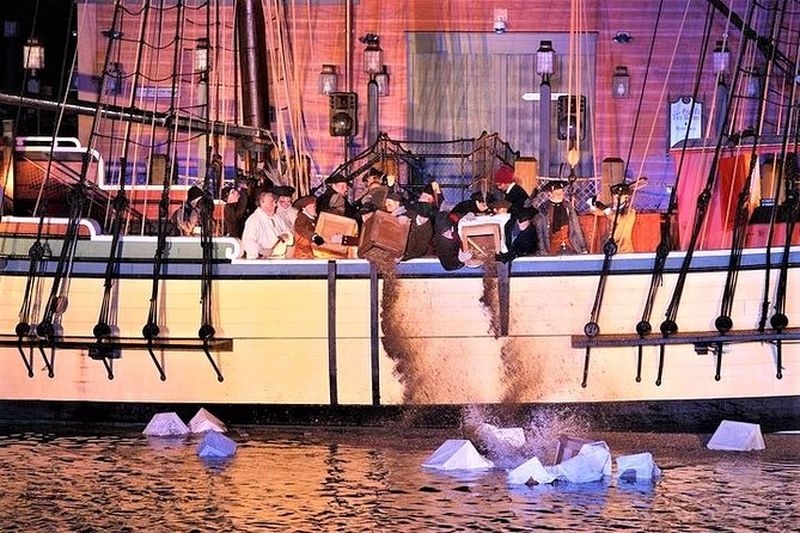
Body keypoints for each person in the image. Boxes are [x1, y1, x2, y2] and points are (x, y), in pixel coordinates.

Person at [532, 180, 587, 254]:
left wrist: (583, 247)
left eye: (561, 193)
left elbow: (576, 227)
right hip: (552, 248)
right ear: (550, 194)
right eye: (557, 194)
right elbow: (540, 234)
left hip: (570, 246)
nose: (560, 195)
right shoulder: (543, 208)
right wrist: (543, 251)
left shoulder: (568, 206)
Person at [241, 189, 294, 259]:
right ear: (262, 203)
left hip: (279, 259)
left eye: (275, 202)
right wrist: (262, 251)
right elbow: (248, 241)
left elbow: (287, 232)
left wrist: (286, 235)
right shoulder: (254, 220)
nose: (275, 205)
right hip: (261, 262)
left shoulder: (277, 218)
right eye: (271, 202)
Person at [589, 181, 637, 254]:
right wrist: (592, 204)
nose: (614, 200)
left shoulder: (631, 212)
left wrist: (606, 210)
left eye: (618, 197)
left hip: (624, 251)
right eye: (613, 196)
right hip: (610, 250)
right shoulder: (612, 208)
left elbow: (620, 219)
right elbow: (596, 212)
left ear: (626, 198)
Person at [292, 195, 326, 259]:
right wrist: (313, 236)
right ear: (303, 208)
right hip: (303, 255)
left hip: (312, 253)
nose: (315, 208)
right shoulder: (301, 218)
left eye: (315, 206)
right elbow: (300, 229)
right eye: (312, 207)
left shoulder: (312, 220)